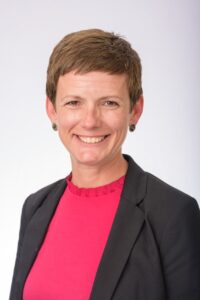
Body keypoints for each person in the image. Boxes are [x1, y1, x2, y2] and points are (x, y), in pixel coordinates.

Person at [10, 29, 200, 300]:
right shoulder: (35, 208)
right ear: (52, 109)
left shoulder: (173, 213)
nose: (90, 121)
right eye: (74, 102)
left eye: (109, 103)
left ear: (135, 110)